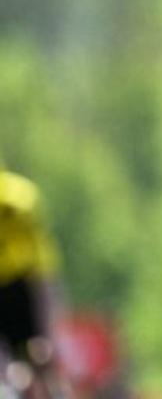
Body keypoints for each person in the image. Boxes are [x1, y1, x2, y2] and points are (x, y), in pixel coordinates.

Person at [0, 165, 68, 398]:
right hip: (25, 284)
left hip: (24, 284)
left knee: (41, 354)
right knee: (35, 357)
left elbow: (41, 255)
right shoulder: (22, 194)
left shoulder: (20, 197)